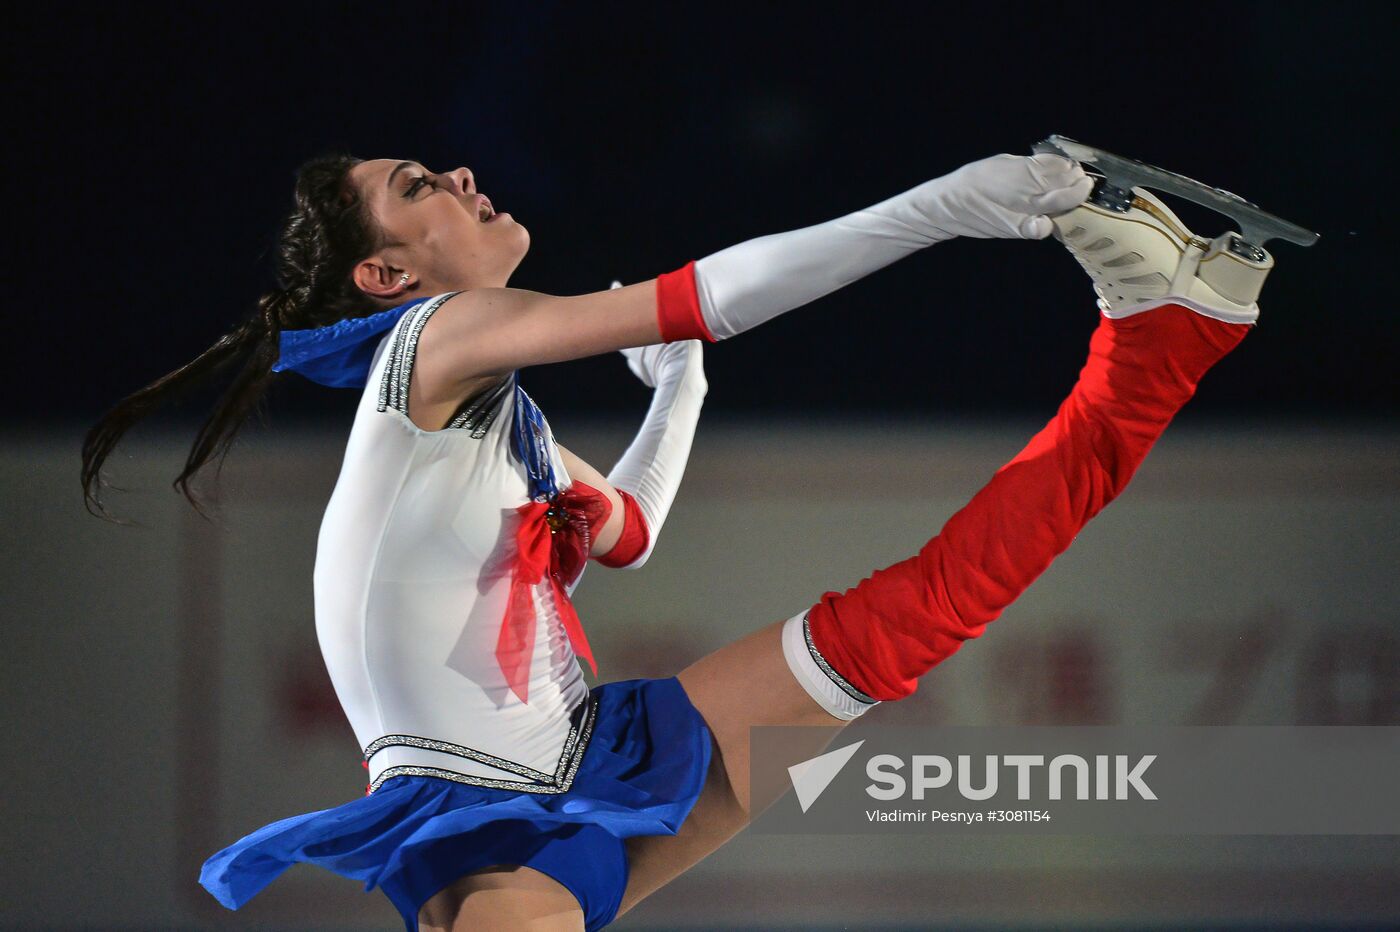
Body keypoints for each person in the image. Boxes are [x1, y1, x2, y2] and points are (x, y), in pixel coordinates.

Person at [81, 148, 1275, 931]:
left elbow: (629, 532)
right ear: (387, 271)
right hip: (476, 815)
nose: (454, 171)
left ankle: (1159, 340)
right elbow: (706, 293)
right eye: (414, 185)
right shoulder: (429, 344)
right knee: (913, 613)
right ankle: (1158, 337)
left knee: (916, 615)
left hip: (594, 756)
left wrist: (677, 394)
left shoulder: (497, 411)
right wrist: (942, 207)